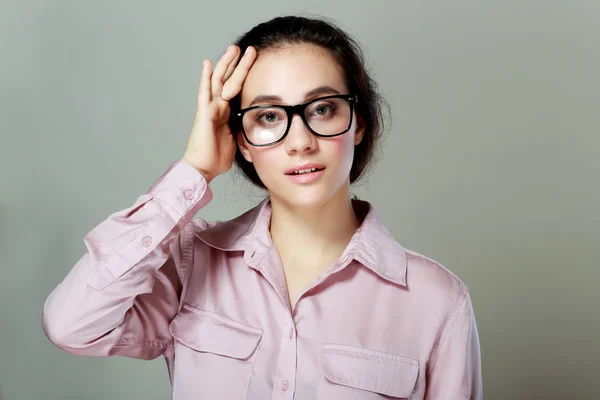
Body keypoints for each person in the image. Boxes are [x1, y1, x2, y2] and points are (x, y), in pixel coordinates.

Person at [42, 15, 482, 400]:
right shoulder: (191, 261)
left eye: (323, 108)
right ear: (242, 143)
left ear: (359, 123)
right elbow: (72, 325)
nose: (301, 141)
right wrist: (194, 170)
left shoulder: (437, 302)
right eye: (269, 116)